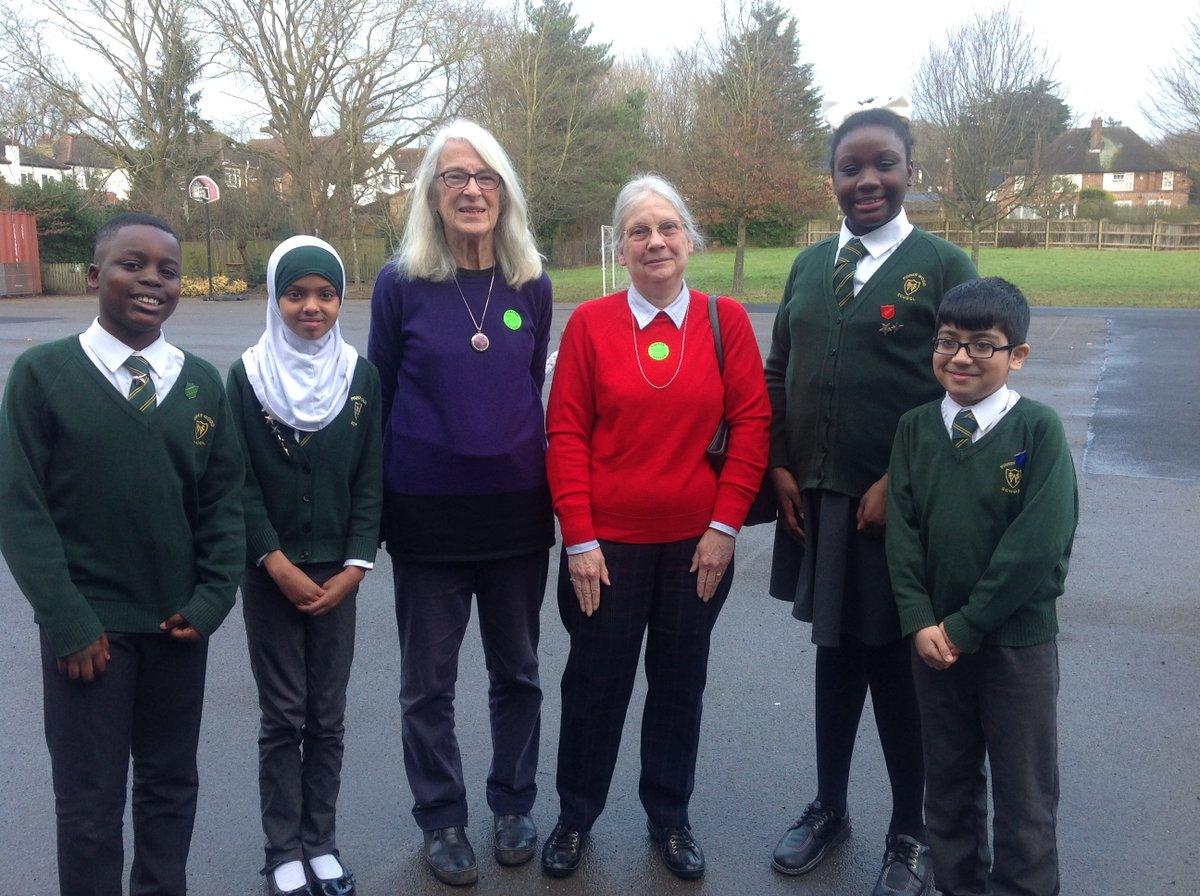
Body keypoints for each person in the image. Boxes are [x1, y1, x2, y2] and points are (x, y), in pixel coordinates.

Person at [764, 103, 978, 896]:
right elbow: (779, 368)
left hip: (901, 509)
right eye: (849, 167)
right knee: (836, 656)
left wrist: (900, 477)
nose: (867, 180)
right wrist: (779, 463)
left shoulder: (944, 265)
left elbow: (967, 389)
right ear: (832, 178)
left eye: (883, 163)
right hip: (820, 501)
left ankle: (911, 832)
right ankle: (830, 807)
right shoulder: (808, 265)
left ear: (910, 172)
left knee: (896, 665)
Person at [0, 212, 245, 896]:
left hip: (178, 628)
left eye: (167, 271)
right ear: (93, 276)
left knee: (170, 787)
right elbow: (20, 508)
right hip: (90, 639)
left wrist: (212, 599)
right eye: (131, 265)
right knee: (89, 803)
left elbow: (224, 503)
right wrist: (67, 621)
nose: (151, 281)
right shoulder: (43, 376)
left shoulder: (200, 383)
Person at [541, 174, 770, 881]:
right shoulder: (590, 324)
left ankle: (670, 817)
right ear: (622, 248)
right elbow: (565, 434)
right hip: (605, 550)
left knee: (679, 683)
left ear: (689, 240)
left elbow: (753, 425)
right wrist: (579, 539)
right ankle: (575, 816)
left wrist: (725, 527)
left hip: (697, 547)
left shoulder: (726, 321)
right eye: (638, 231)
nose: (655, 241)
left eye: (668, 227)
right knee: (594, 684)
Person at [368, 119, 553, 886]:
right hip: (427, 516)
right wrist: (374, 514)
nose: (471, 190)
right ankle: (441, 819)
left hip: (516, 513)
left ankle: (513, 804)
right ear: (432, 194)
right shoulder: (399, 284)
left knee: (518, 674)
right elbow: (379, 399)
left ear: (503, 192)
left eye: (485, 177)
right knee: (428, 686)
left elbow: (526, 384)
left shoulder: (530, 284)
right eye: (455, 177)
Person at [887, 277, 1077, 896]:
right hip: (935, 646)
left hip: (1015, 645)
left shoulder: (1038, 430)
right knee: (947, 784)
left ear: (1016, 355)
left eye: (982, 344)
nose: (961, 357)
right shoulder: (915, 428)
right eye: (948, 341)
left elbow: (1037, 546)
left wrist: (967, 626)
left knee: (1025, 792)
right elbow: (903, 534)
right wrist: (919, 619)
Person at [227, 236, 382, 896]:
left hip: (340, 575)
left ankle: (320, 842)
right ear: (275, 299)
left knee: (327, 716)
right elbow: (236, 480)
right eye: (295, 294)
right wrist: (275, 560)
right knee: (283, 715)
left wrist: (356, 566)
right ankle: (282, 850)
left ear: (340, 300)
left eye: (325, 294)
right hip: (272, 575)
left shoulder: (360, 377)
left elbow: (370, 478)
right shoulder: (247, 377)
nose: (310, 307)